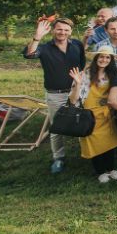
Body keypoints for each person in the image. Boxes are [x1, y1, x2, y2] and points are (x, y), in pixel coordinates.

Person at [24, 17, 86, 174]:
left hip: (77, 91)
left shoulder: (77, 45)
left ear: (70, 31)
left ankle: (87, 152)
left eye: (66, 30)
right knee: (57, 127)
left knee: (82, 122)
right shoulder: (44, 48)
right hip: (55, 94)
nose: (62, 32)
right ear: (53, 30)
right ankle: (59, 158)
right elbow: (29, 54)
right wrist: (37, 37)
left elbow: (82, 65)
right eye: (59, 29)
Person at [67, 46, 117, 183]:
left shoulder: (112, 75)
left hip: (106, 114)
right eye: (101, 56)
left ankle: (111, 169)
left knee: (108, 142)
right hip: (89, 116)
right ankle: (100, 171)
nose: (104, 59)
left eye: (107, 57)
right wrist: (77, 84)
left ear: (111, 60)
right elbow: (73, 100)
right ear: (96, 58)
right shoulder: (85, 75)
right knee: (94, 143)